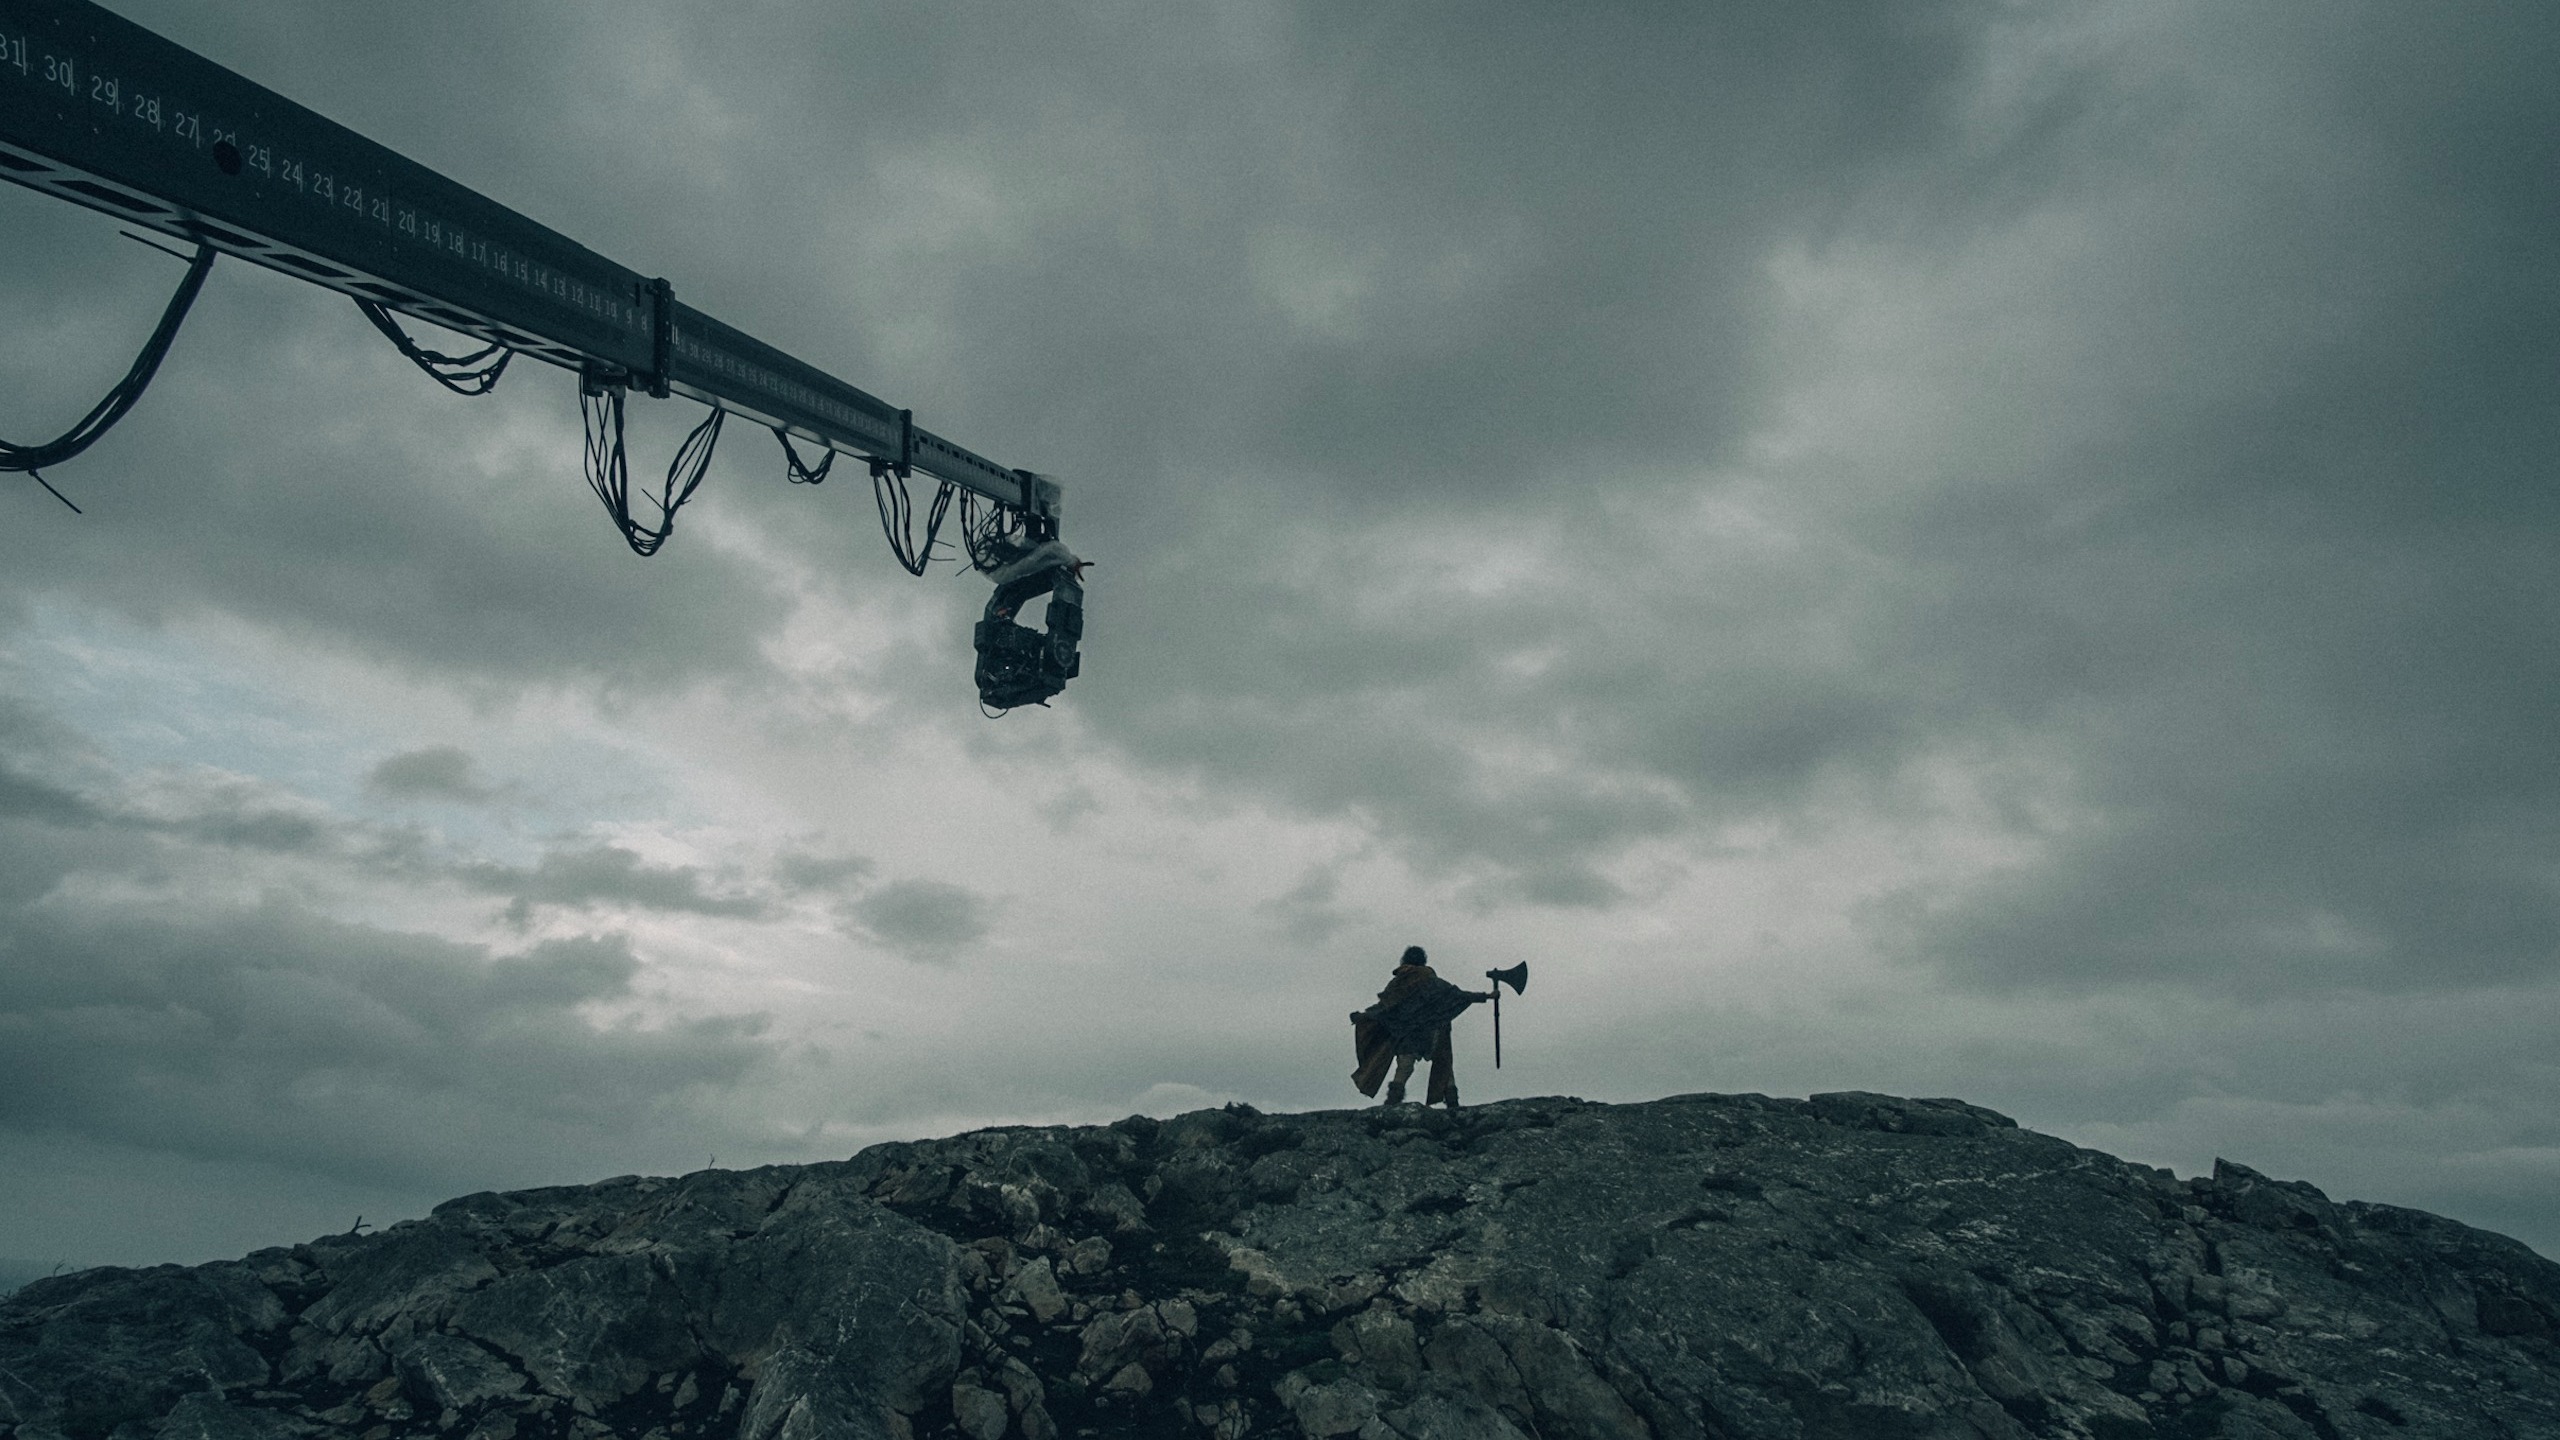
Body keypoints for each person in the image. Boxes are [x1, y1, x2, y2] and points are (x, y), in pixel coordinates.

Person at [1350, 946, 1493, 1110]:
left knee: (1404, 1066)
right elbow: (1455, 995)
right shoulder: (1428, 977)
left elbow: (1385, 1007)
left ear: (1405, 960)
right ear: (1423, 960)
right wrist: (1486, 996)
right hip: (1432, 1030)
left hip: (1407, 1032)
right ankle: (1452, 1103)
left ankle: (1392, 1103)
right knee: (1443, 1063)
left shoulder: (1399, 981)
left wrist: (1364, 1016)